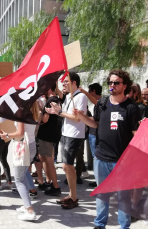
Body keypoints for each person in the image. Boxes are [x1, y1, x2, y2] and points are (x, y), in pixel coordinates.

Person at [72, 69, 141, 229]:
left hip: (122, 161)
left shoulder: (131, 108)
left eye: (116, 83)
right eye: (110, 82)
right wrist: (82, 117)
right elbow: (95, 124)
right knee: (102, 193)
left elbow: (136, 135)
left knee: (123, 196)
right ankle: (99, 224)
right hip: (101, 158)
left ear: (125, 86)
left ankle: (124, 226)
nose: (112, 85)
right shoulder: (102, 103)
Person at [45, 72, 87, 209]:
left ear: (74, 82)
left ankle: (74, 197)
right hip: (66, 133)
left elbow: (77, 118)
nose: (63, 84)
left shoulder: (80, 97)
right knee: (65, 166)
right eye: (62, 82)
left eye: (66, 81)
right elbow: (65, 113)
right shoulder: (69, 96)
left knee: (68, 166)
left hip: (74, 135)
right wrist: (56, 111)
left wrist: (59, 113)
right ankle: (71, 194)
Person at [0, 101, 41, 221]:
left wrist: (7, 135)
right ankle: (26, 204)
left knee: (18, 180)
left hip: (23, 146)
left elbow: (20, 133)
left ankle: (30, 210)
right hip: (31, 145)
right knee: (22, 176)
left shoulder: (21, 112)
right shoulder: (33, 110)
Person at [37, 85, 62, 196]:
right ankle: (49, 181)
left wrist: (38, 111)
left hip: (46, 135)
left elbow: (45, 119)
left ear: (49, 88)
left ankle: (55, 186)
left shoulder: (51, 101)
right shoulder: (56, 99)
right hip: (52, 134)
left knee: (49, 161)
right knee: (44, 158)